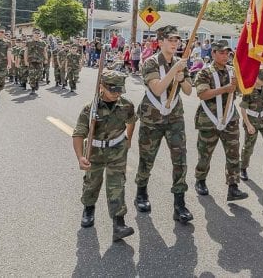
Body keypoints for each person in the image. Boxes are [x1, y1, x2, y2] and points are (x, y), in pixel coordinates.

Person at [133, 25, 194, 223]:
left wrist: (182, 77)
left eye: (177, 40)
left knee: (180, 160)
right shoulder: (150, 63)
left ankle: (179, 204)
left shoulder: (181, 62)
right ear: (160, 42)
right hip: (152, 119)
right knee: (147, 158)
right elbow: (158, 89)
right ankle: (141, 192)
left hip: (174, 117)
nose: (175, 43)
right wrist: (174, 71)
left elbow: (188, 91)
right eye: (171, 40)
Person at [71, 70, 136, 241]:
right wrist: (80, 157)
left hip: (117, 149)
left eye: (120, 90)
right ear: (102, 86)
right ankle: (89, 208)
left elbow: (131, 121)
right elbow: (78, 134)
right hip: (95, 151)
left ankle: (118, 223)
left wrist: (128, 140)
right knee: (92, 182)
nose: (117, 94)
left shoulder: (126, 105)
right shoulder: (90, 108)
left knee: (117, 184)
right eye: (113, 90)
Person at [193, 40, 248, 202]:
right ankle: (200, 180)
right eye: (221, 52)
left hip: (230, 119)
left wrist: (238, 84)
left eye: (227, 53)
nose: (225, 56)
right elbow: (202, 94)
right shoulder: (205, 72)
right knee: (205, 153)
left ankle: (233, 187)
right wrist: (225, 89)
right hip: (209, 120)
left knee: (233, 153)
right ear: (213, 53)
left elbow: (241, 90)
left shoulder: (233, 71)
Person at [24, 29, 48, 95]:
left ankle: (37, 81)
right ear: (33, 34)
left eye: (38, 33)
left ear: (39, 34)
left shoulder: (43, 43)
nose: (37, 34)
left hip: (39, 61)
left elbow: (45, 51)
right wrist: (25, 61)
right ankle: (33, 89)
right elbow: (26, 52)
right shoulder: (28, 42)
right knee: (31, 75)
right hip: (31, 61)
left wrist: (46, 59)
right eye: (35, 33)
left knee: (40, 74)